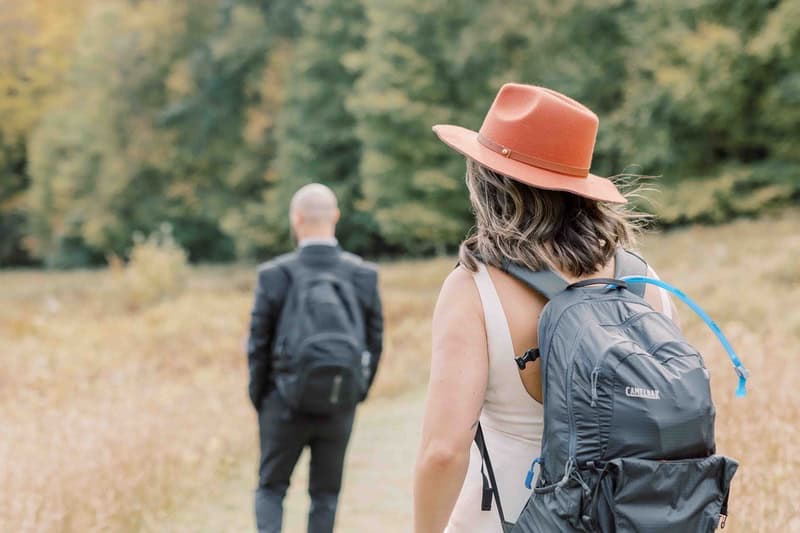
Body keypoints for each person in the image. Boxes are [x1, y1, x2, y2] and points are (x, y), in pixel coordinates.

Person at [413, 83, 677, 532]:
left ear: (488, 182)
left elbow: (444, 451)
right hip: (626, 519)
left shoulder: (473, 287)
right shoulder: (643, 279)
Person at [247, 183, 383, 533]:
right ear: (335, 217)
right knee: (325, 495)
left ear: (296, 218)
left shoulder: (274, 276)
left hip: (282, 402)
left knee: (271, 488)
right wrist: (356, 393)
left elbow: (258, 347)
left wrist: (261, 398)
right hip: (340, 400)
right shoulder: (363, 275)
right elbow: (376, 341)